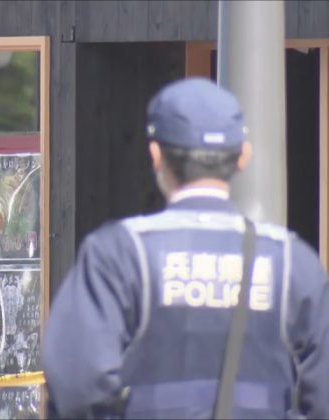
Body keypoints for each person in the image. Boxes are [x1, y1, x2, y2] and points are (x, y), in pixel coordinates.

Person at [43, 78, 329, 419]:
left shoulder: (119, 254)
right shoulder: (292, 261)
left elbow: (77, 384)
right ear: (243, 156)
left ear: (156, 155)